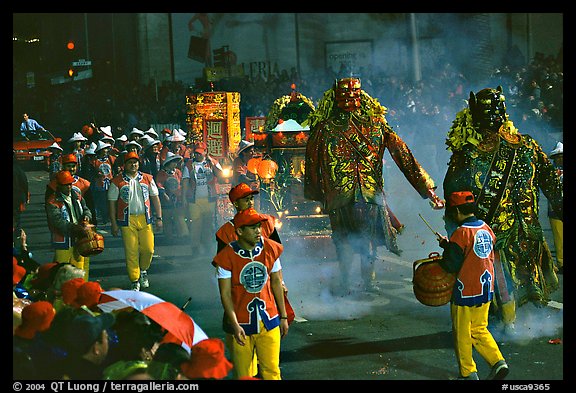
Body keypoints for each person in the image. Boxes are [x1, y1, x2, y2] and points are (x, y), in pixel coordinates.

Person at [304, 77, 444, 295]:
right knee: (367, 237)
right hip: (369, 194)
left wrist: (316, 193)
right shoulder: (377, 125)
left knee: (343, 238)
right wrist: (428, 190)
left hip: (340, 195)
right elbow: (404, 156)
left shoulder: (324, 128)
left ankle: (346, 280)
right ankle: (367, 281)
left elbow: (312, 163)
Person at [443, 86, 563, 331]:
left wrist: (455, 233)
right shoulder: (528, 145)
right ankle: (520, 319)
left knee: (502, 278)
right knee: (523, 273)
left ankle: (509, 324)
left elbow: (453, 194)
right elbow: (552, 184)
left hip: (496, 233)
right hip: (529, 230)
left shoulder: (468, 154)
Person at [436, 191, 508, 380]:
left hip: (465, 291)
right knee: (479, 328)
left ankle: (468, 373)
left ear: (457, 211)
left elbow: (451, 264)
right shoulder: (486, 228)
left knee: (462, 333)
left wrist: (446, 250)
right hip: (485, 290)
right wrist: (448, 245)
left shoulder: (461, 232)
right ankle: (498, 361)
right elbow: (474, 254)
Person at [213, 207, 289, 380]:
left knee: (272, 372)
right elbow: (225, 294)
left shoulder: (271, 248)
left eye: (259, 226)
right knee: (244, 375)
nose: (258, 231)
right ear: (239, 231)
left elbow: (277, 282)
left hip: (269, 320)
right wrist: (234, 325)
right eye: (253, 227)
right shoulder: (226, 256)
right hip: (241, 324)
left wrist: (283, 317)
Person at [108, 151, 163, 290]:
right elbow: (112, 203)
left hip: (145, 218)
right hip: (127, 220)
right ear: (124, 165)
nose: (133, 165)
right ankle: (134, 279)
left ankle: (143, 270)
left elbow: (155, 198)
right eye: (130, 162)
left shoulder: (148, 178)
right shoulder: (117, 181)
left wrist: (159, 218)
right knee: (131, 250)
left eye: (135, 162)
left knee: (148, 248)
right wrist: (114, 223)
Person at [45, 170, 93, 277]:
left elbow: (86, 209)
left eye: (70, 184)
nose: (69, 187)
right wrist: (75, 228)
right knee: (62, 270)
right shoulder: (52, 201)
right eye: (65, 185)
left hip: (79, 238)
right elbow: (57, 221)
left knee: (80, 269)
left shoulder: (76, 196)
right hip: (63, 240)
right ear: (59, 186)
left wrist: (86, 216)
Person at [181, 141, 224, 256]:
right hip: (194, 200)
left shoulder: (213, 163)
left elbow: (222, 176)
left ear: (205, 152)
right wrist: (184, 197)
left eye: (201, 153)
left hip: (210, 199)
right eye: (196, 153)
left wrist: (213, 164)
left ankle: (208, 247)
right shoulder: (189, 165)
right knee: (195, 225)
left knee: (208, 225)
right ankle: (195, 248)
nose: (198, 155)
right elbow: (185, 181)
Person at [155, 151, 188, 240]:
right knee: (167, 218)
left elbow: (181, 183)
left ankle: (182, 235)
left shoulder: (177, 172)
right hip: (166, 199)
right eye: (173, 162)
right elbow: (159, 185)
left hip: (177, 198)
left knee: (179, 216)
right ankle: (168, 236)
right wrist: (164, 195)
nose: (175, 164)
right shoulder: (162, 173)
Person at [547, 142, 563, 274]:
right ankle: (562, 263)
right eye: (557, 157)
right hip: (555, 209)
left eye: (561, 156)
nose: (559, 159)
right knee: (559, 237)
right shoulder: (551, 172)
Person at [232, 140, 261, 210]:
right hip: (241, 195)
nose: (253, 153)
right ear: (244, 153)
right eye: (251, 151)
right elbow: (241, 176)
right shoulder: (238, 161)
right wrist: (253, 180)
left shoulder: (253, 162)